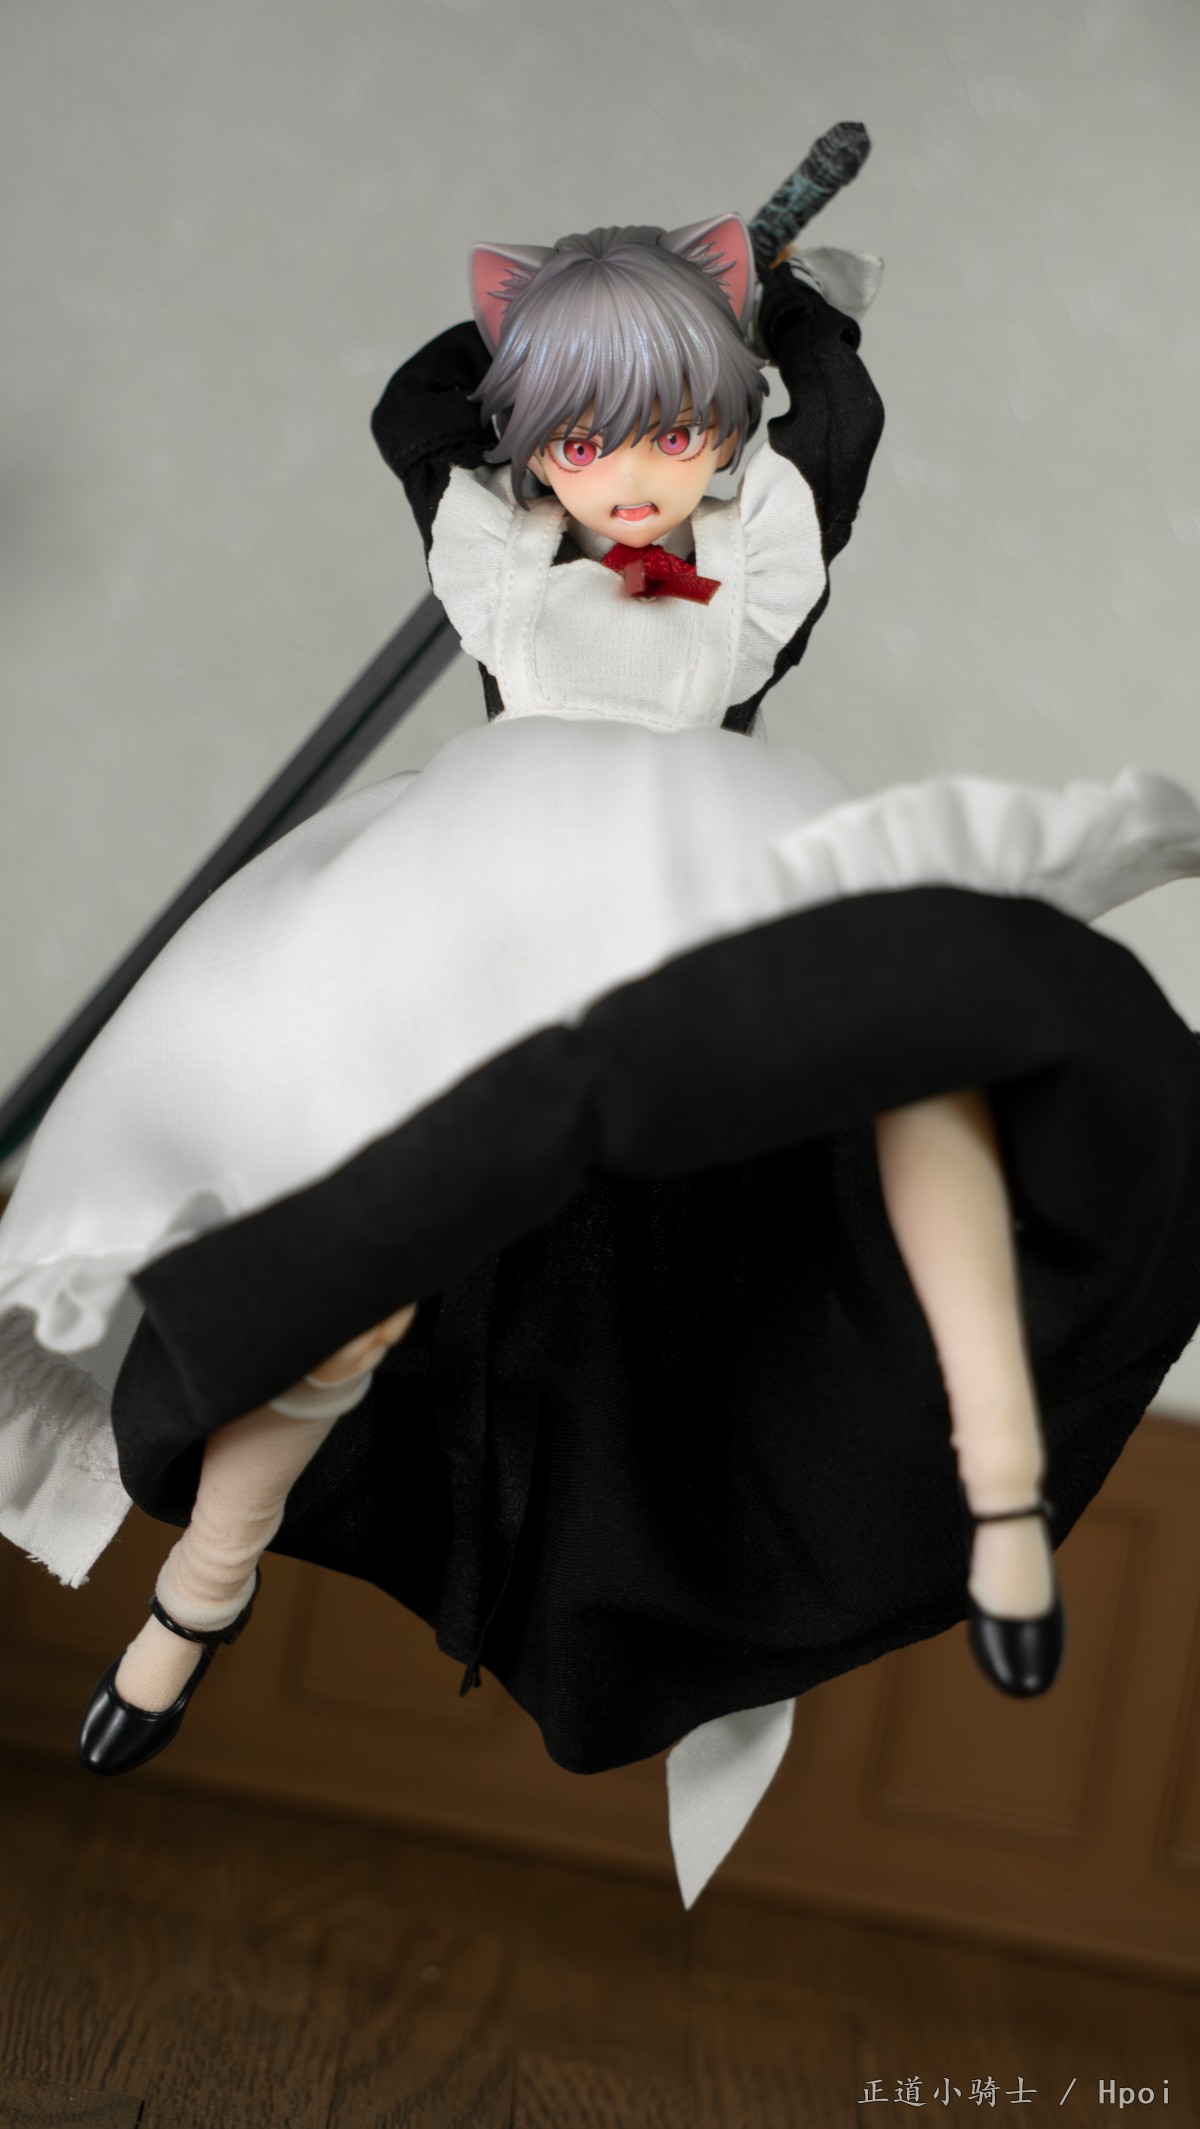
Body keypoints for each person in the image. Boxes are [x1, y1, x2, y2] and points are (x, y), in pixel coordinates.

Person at [2, 204, 1199, 1906]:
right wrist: (581, 312)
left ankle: (1000, 1507)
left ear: (726, 428)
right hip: (475, 905)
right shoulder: (497, 558)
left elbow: (833, 427)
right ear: (531, 447)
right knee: (349, 1264)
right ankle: (199, 1589)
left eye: (673, 428)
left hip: (701, 888)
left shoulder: (759, 563)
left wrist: (777, 305)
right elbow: (421, 407)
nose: (631, 476)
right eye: (582, 438)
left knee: (913, 1102)